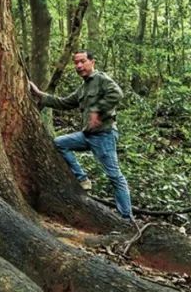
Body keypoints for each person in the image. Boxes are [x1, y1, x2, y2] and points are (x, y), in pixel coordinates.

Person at [29, 51, 133, 219]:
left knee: (115, 176)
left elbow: (117, 94)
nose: (78, 66)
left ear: (92, 62)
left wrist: (97, 111)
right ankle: (82, 178)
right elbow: (64, 103)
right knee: (60, 142)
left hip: (104, 136)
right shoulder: (83, 88)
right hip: (87, 135)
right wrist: (40, 95)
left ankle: (127, 218)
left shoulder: (101, 79)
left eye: (82, 61)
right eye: (76, 63)